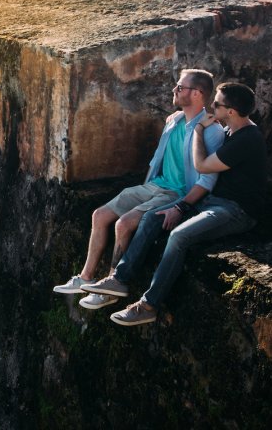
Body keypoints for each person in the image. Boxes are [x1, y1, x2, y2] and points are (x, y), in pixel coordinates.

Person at [82, 82, 267, 326]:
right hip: (212, 203)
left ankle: (148, 305)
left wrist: (199, 130)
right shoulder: (230, 132)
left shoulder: (248, 138)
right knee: (152, 217)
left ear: (230, 111)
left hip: (235, 211)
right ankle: (119, 279)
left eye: (217, 104)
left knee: (179, 236)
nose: (212, 107)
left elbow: (202, 166)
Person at [53, 69, 224, 310]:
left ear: (197, 94)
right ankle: (87, 276)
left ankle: (112, 284)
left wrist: (183, 205)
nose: (174, 90)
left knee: (123, 224)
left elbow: (207, 179)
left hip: (176, 193)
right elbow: (157, 158)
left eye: (180, 87)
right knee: (100, 215)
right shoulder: (174, 119)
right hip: (155, 185)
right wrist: (146, 184)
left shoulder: (212, 131)